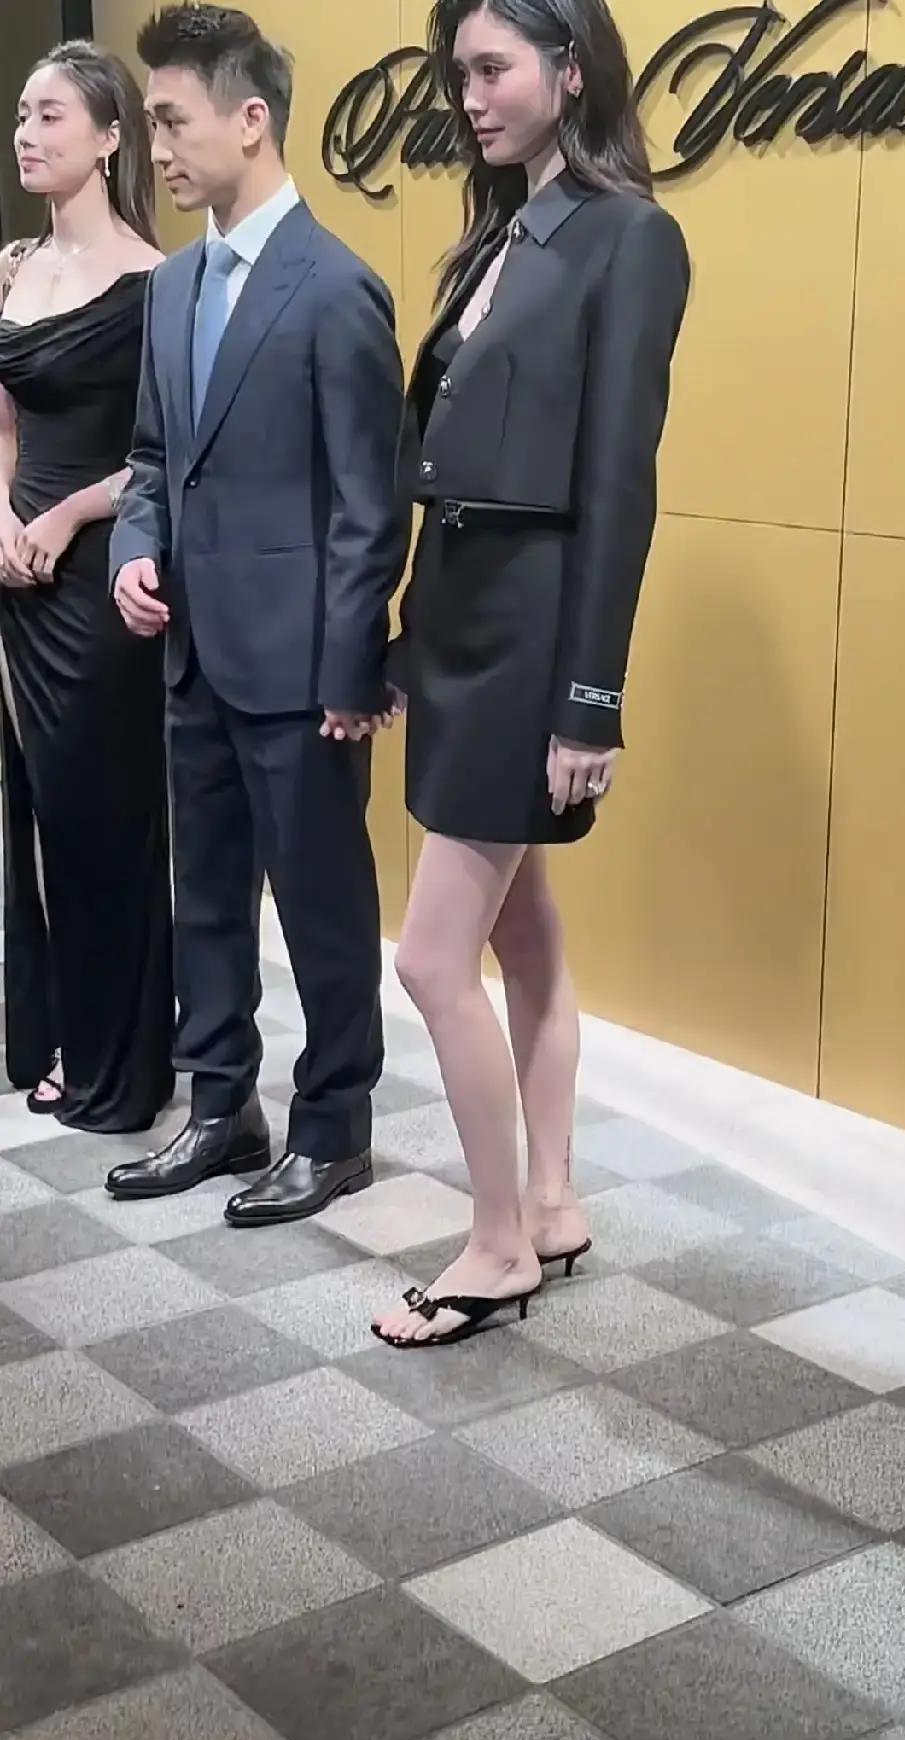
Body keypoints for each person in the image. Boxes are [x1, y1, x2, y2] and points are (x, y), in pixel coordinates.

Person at [373, 0, 690, 1348]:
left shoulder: (630, 237)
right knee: (522, 930)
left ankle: (496, 1244)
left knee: (429, 960)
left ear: (570, 69)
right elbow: (445, 454)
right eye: (459, 73)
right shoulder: (500, 231)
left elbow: (619, 484)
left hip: (534, 631)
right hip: (459, 615)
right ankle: (550, 1202)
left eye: (493, 68)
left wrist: (589, 699)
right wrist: (405, 630)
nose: (470, 96)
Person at [106, 6, 408, 1219]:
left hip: (302, 672)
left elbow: (370, 507)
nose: (156, 149)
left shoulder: (337, 288)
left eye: (170, 121)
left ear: (249, 119)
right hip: (190, 654)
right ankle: (220, 1107)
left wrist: (350, 671)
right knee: (209, 901)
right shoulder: (173, 285)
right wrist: (134, 551)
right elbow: (149, 460)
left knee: (325, 911)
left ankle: (333, 1129)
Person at [0, 41, 174, 1134]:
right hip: (13, 572)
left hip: (99, 573)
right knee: (31, 805)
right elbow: (2, 423)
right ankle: (53, 1027)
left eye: (51, 115)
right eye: (23, 114)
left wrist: (64, 517)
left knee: (101, 815)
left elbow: (164, 452)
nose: (27, 133)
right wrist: (2, 516)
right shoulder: (12, 268)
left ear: (110, 138)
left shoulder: (157, 283)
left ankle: (119, 1055)